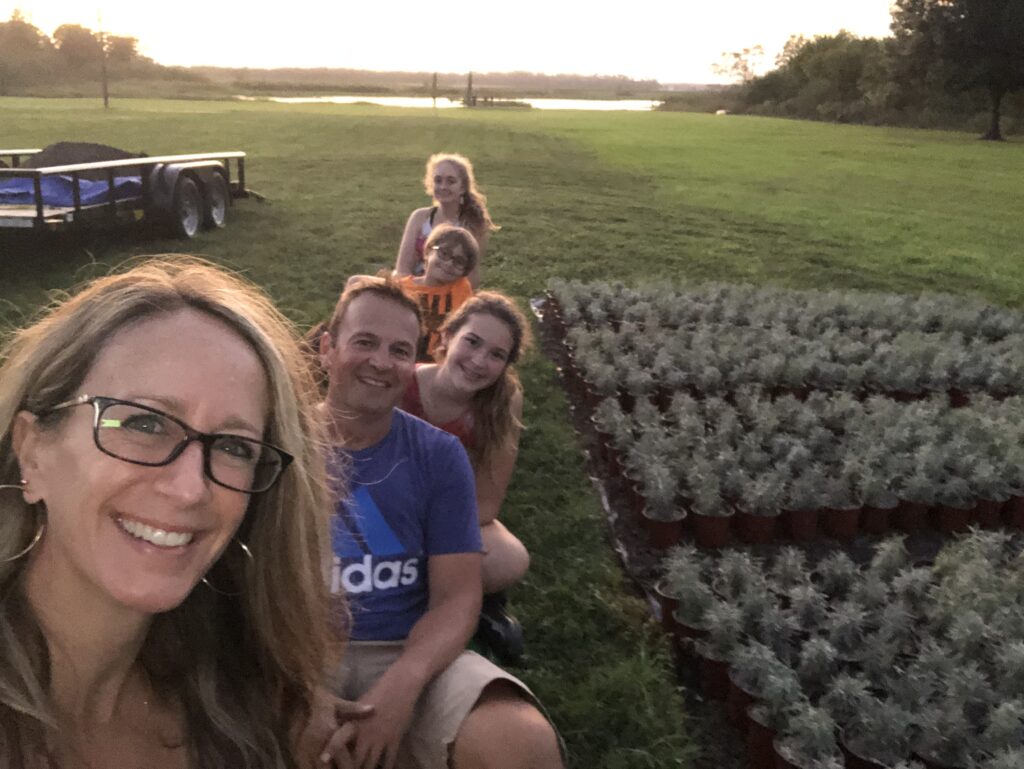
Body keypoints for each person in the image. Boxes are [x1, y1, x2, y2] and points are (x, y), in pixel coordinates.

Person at [0, 257, 360, 768]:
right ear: (33, 450)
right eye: (145, 424)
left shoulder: (240, 710)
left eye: (234, 447)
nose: (191, 488)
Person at [318, 274, 563, 769]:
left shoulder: (441, 453)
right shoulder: (276, 445)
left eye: (398, 349)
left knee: (523, 744)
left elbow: (456, 597)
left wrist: (404, 683)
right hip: (296, 650)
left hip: (408, 646)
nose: (382, 362)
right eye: (364, 342)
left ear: (413, 360)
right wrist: (294, 687)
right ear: (327, 348)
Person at [400, 292, 532, 662]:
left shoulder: (503, 402)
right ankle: (461, 604)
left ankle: (447, 602)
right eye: (472, 342)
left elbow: (487, 504)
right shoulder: (402, 383)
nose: (478, 361)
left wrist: (430, 537)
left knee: (510, 558)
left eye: (496, 355)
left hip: (447, 518)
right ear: (445, 337)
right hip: (383, 510)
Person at [394, 153, 497, 289]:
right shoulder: (419, 217)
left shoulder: (472, 223)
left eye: (451, 181)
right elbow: (402, 269)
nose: (443, 187)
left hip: (448, 294)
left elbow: (470, 277)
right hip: (413, 288)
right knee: (356, 281)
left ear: (462, 188)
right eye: (438, 180)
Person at [398, 223, 479, 362]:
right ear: (428, 251)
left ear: (464, 272)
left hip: (440, 365)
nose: (448, 263)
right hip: (404, 359)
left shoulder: (460, 287)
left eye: (459, 261)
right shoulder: (402, 288)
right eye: (444, 253)